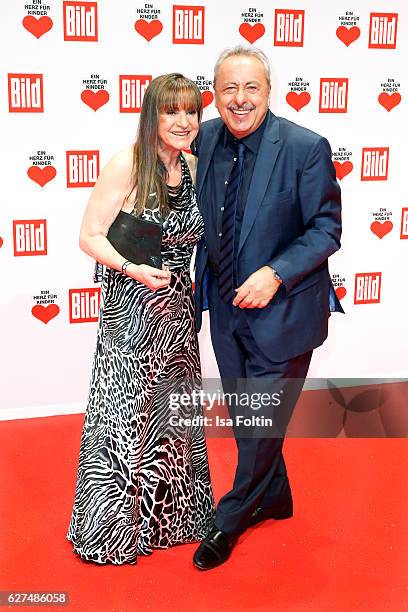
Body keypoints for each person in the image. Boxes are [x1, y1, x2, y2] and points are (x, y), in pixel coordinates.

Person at [192, 47, 343, 570]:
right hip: (224, 307)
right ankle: (274, 495)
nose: (239, 100)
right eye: (228, 88)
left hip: (283, 313)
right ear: (214, 92)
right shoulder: (204, 137)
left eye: (250, 88)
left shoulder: (305, 147)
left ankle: (229, 519)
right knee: (248, 417)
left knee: (259, 424)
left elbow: (326, 229)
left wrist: (276, 272)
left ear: (269, 90)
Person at [66, 73, 215, 565]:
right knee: (127, 418)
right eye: (171, 111)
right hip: (131, 309)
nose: (183, 121)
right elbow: (90, 235)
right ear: (152, 114)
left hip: (177, 310)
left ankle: (170, 524)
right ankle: (114, 531)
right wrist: (131, 268)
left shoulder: (194, 166)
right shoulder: (127, 163)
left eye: (191, 111)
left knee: (172, 416)